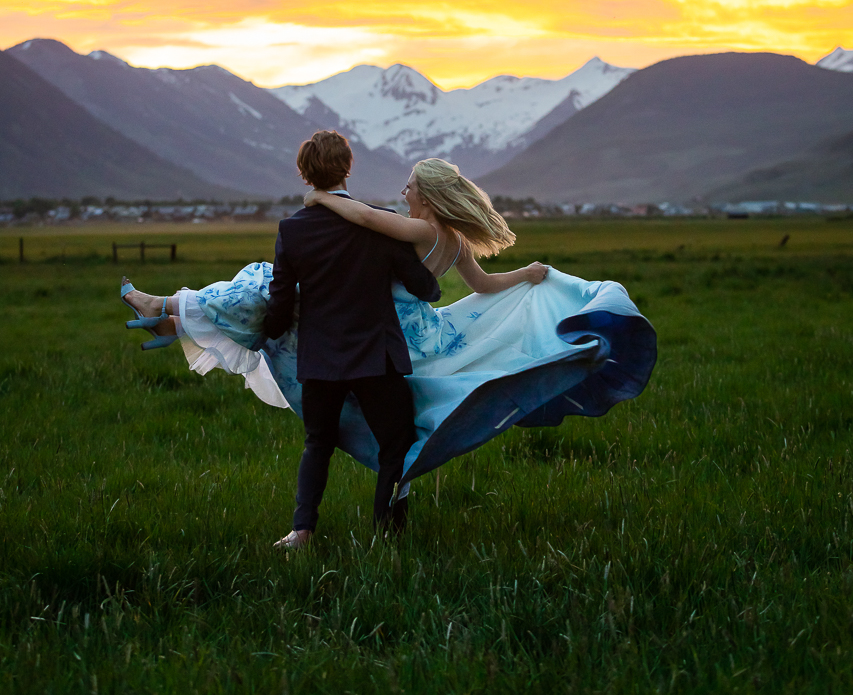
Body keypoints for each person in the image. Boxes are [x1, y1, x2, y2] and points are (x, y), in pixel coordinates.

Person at [121, 140, 657, 541]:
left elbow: (360, 215)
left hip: (392, 334)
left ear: (426, 195)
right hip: (420, 333)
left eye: (408, 188)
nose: (401, 194)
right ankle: (391, 514)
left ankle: (175, 311)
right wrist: (527, 276)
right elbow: (486, 286)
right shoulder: (457, 239)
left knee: (264, 284)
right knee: (404, 427)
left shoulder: (419, 231)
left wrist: (321, 200)